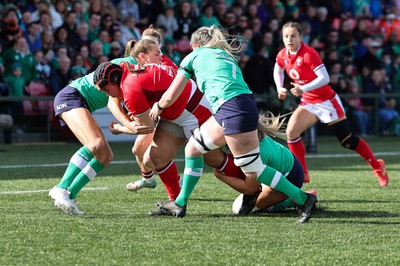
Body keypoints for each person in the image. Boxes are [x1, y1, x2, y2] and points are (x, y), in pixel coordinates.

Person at [148, 25, 317, 223]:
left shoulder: (193, 56)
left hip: (232, 109)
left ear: (195, 45)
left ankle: (304, 199)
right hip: (236, 106)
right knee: (193, 148)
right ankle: (180, 203)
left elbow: (171, 94)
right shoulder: (225, 55)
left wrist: (158, 107)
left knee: (254, 169)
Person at [94, 39, 238, 215]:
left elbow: (147, 127)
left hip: (195, 111)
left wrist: (119, 128)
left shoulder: (130, 87)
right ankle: (175, 203)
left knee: (214, 159)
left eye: (108, 90)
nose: (109, 95)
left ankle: (253, 186)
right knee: (157, 156)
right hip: (179, 111)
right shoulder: (127, 69)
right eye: (157, 52)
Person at [273, 21, 389, 187]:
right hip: (308, 101)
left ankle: (378, 166)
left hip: (326, 101)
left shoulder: (309, 54)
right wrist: (279, 87)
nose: (289, 39)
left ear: (300, 37)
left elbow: (325, 78)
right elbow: (278, 68)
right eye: (286, 36)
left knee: (347, 140)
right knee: (291, 132)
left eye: (293, 35)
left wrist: (303, 88)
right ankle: (302, 173)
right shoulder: (283, 54)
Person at [48, 48, 151, 215]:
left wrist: (124, 127)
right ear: (143, 54)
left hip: (81, 102)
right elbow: (112, 103)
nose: (160, 56)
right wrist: (126, 124)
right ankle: (61, 187)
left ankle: (70, 196)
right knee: (95, 143)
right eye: (157, 52)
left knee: (105, 156)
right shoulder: (125, 66)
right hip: (71, 97)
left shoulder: (141, 71)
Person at [213, 113, 317, 214]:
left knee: (239, 209)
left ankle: (296, 198)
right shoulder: (250, 136)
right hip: (288, 165)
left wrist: (220, 176)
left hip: (290, 176)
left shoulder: (255, 152)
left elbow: (250, 188)